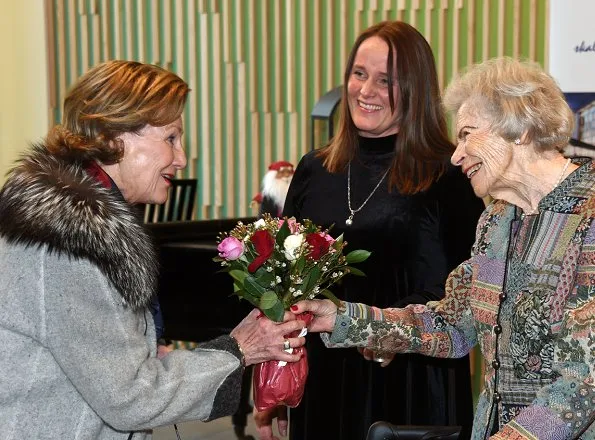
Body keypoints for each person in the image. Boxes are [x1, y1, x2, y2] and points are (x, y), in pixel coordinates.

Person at [291, 56, 595, 440]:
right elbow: (453, 324)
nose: (456, 154)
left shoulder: (589, 214)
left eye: (467, 134)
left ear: (519, 128)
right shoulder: (497, 221)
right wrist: (341, 319)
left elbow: (584, 384)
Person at [0, 60, 307, 440]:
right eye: (171, 138)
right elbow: (132, 398)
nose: (180, 158)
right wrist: (238, 349)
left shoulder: (73, 227)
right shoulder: (67, 245)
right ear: (115, 137)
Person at [255, 20, 484, 440]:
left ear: (414, 89)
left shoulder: (450, 174)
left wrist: (387, 332)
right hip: (324, 377)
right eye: (359, 74)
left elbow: (464, 295)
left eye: (386, 80)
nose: (366, 90)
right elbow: (287, 289)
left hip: (413, 378)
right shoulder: (313, 168)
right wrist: (280, 385)